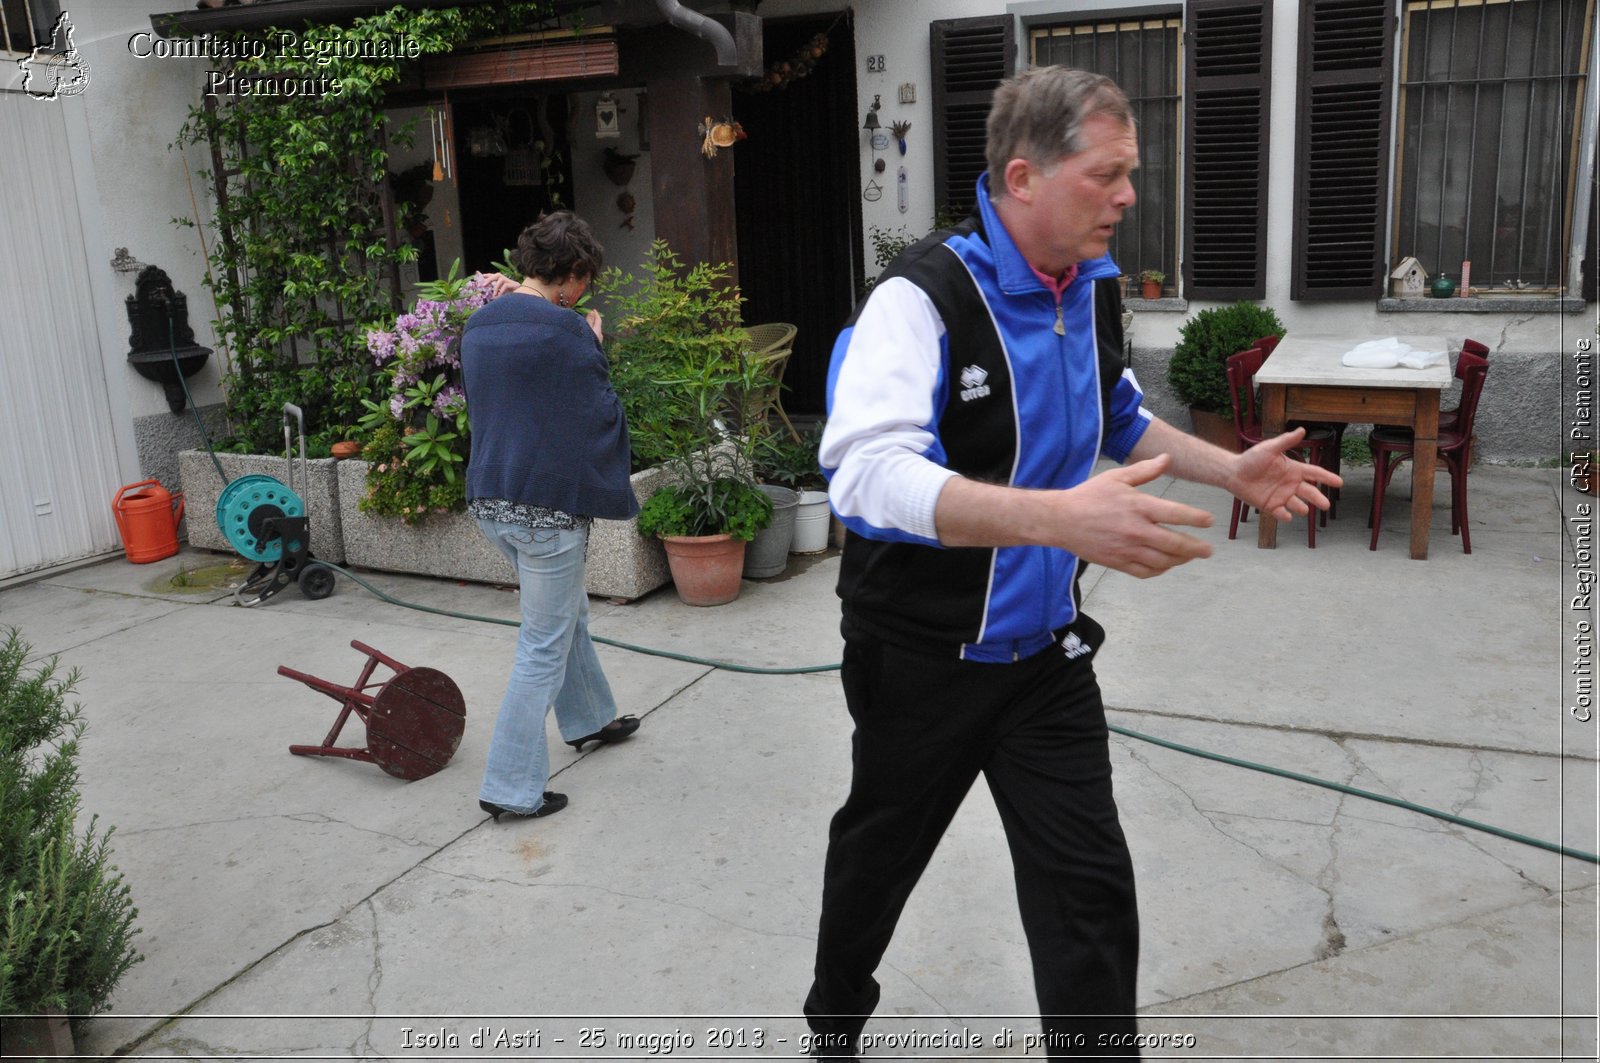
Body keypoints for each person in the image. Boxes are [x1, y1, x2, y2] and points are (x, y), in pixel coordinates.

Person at [804, 68, 1341, 1058]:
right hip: (920, 657)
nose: (1129, 196)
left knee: (1089, 892)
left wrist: (1235, 471)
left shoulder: (1086, 291)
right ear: (1022, 178)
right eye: (1107, 175)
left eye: (1129, 174)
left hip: (1044, 663)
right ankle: (834, 1016)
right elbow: (862, 477)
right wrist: (1055, 519)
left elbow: (1121, 419)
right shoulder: (919, 300)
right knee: (879, 857)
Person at [462, 211, 641, 823]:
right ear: (570, 275)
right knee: (541, 644)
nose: (584, 292)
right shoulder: (567, 331)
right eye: (583, 280)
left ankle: (590, 718)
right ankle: (511, 786)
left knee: (566, 615)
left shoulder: (480, 325)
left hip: (490, 499)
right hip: (545, 514)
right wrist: (593, 345)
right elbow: (601, 415)